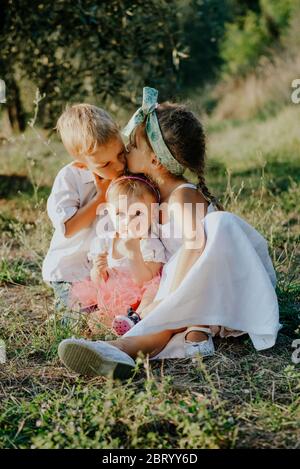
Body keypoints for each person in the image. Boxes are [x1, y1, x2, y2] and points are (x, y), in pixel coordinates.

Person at [58, 87, 280, 379]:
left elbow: (195, 246)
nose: (126, 151)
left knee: (173, 304)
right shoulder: (156, 197)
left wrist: (168, 296)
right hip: (195, 280)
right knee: (165, 319)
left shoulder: (181, 196)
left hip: (224, 278)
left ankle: (121, 348)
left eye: (134, 146)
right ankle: (123, 352)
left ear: (156, 162)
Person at [42, 104, 126, 322]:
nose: (118, 165)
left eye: (121, 153)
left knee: (118, 313)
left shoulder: (122, 174)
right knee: (79, 319)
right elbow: (68, 227)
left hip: (105, 271)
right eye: (106, 163)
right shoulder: (69, 178)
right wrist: (101, 197)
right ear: (81, 162)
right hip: (72, 272)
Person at [70, 175, 166, 336]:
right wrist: (99, 271)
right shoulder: (106, 242)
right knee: (95, 319)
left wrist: (134, 252)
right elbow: (99, 283)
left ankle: (135, 320)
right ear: (109, 213)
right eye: (120, 214)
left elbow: (146, 280)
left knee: (152, 294)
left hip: (140, 299)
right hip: (112, 298)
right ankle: (115, 326)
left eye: (138, 213)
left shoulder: (149, 244)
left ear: (153, 213)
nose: (128, 221)